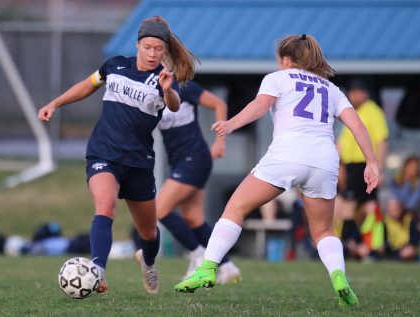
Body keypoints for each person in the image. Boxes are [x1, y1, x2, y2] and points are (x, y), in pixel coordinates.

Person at [174, 34, 379, 307]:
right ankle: (339, 276)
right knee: (323, 232)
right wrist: (372, 163)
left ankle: (208, 267)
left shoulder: (277, 78)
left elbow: (260, 106)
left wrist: (231, 124)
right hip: (324, 160)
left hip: (288, 154)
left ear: (285, 59)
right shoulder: (330, 88)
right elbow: (357, 125)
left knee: (236, 208)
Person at [38, 15, 197, 294]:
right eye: (147, 47)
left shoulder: (162, 79)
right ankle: (97, 271)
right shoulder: (115, 65)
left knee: (148, 232)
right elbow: (88, 85)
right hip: (104, 153)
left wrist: (169, 89)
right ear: (138, 44)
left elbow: (173, 106)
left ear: (165, 50)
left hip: (138, 161)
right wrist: (56, 102)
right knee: (105, 205)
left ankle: (147, 263)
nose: (152, 53)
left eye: (158, 49)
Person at [155, 80, 242, 284]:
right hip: (179, 162)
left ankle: (197, 253)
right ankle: (228, 267)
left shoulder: (184, 88)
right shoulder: (150, 92)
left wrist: (220, 142)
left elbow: (219, 104)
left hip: (194, 159)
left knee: (159, 210)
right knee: (194, 219)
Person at [336, 78, 388, 230]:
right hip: (350, 167)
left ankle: (353, 242)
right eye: (352, 92)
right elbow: (341, 145)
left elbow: (382, 141)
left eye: (358, 92)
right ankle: (361, 243)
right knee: (362, 205)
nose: (354, 95)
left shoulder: (373, 110)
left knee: (351, 204)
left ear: (365, 93)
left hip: (363, 166)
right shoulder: (353, 113)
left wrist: (380, 168)